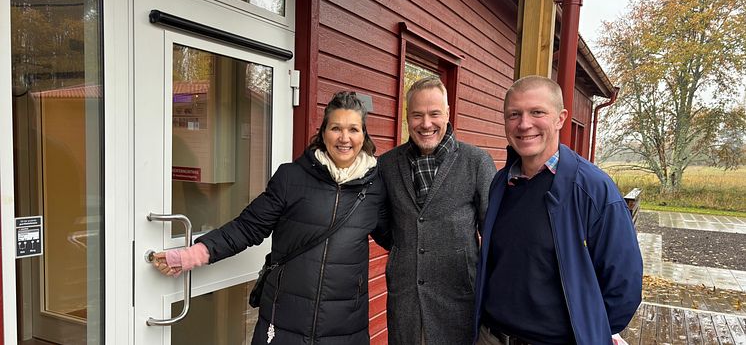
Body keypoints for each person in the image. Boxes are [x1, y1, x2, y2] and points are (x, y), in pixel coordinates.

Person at [152, 92, 388, 345]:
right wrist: (190, 255)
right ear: (323, 133)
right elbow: (247, 228)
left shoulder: (376, 186)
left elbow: (397, 237)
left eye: (353, 129)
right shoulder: (291, 178)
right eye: (336, 128)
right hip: (284, 319)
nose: (344, 138)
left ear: (364, 136)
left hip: (345, 326)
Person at [473, 75, 643, 345]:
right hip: (491, 336)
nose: (524, 124)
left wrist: (588, 332)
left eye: (537, 112)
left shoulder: (593, 189)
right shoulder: (502, 183)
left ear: (560, 118)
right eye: (513, 114)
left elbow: (624, 286)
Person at [378, 76, 496, 345]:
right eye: (417, 115)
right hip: (405, 302)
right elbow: (382, 224)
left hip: (459, 301)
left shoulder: (476, 162)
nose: (426, 124)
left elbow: (493, 234)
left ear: (447, 113)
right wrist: (403, 250)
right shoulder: (387, 165)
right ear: (407, 116)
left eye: (434, 114)